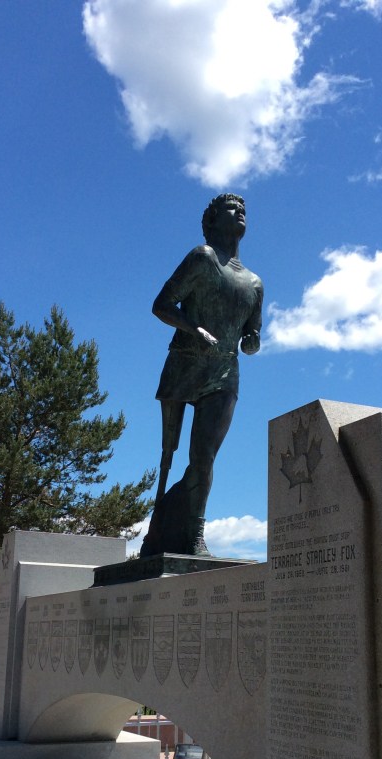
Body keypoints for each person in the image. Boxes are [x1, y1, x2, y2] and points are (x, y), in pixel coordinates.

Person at [140, 194, 263, 557]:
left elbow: (251, 336)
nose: (240, 212)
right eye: (231, 209)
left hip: (224, 371)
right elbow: (161, 305)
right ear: (212, 220)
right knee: (168, 454)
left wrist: (252, 341)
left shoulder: (255, 283)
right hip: (186, 363)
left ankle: (194, 533)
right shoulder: (202, 257)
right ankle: (159, 530)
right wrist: (195, 329)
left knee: (204, 456)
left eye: (243, 209)